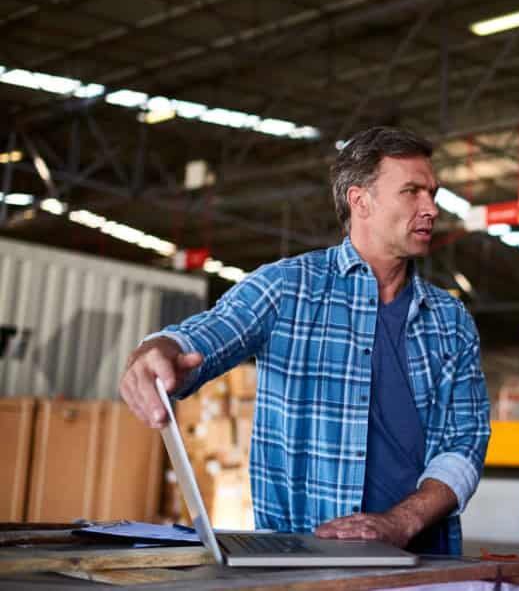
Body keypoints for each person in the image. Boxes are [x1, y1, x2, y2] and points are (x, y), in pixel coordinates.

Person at [119, 126, 490, 555]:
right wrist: (156, 352)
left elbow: (465, 443)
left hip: (426, 561)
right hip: (306, 558)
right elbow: (202, 337)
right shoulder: (286, 289)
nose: (431, 208)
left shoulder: (449, 319)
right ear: (360, 200)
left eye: (433, 193)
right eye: (412, 191)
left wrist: (401, 521)